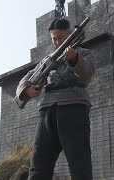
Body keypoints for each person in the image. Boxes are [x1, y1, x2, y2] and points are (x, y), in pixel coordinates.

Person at [15, 18, 95, 180]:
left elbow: (86, 74)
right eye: (54, 38)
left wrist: (74, 58)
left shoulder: (83, 53)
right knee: (38, 164)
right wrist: (26, 90)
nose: (58, 41)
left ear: (70, 35)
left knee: (79, 164)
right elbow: (26, 79)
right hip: (46, 110)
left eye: (61, 37)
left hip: (73, 107)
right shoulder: (47, 60)